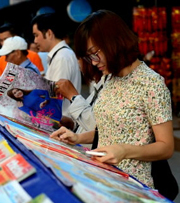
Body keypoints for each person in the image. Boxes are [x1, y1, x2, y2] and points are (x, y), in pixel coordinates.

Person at [50, 10, 174, 190]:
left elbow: (166, 147)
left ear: (113, 42)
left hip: (132, 185)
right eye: (88, 57)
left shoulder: (151, 84)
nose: (93, 62)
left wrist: (125, 150)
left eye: (94, 53)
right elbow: (109, 129)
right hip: (104, 177)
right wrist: (78, 137)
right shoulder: (110, 78)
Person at [31, 13, 82, 116]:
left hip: (62, 123)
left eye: (36, 35)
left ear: (49, 33)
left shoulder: (61, 57)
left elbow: (55, 97)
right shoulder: (59, 55)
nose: (35, 41)